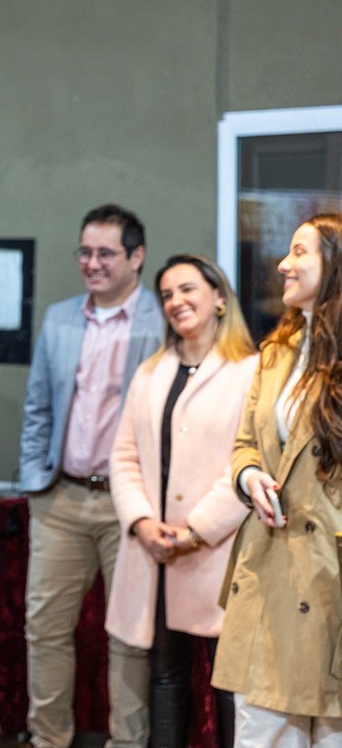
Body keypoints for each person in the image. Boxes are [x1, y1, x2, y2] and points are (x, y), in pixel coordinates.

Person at [18, 204, 163, 748]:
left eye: (106, 253)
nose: (92, 263)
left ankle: (127, 743)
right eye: (85, 252)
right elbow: (38, 407)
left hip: (130, 507)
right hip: (60, 498)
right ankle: (48, 739)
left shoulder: (162, 321)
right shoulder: (60, 319)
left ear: (136, 256)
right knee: (45, 630)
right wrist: (34, 476)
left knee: (129, 636)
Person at [106, 254, 257, 747]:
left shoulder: (250, 371)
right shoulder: (152, 371)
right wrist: (142, 523)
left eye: (187, 289)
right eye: (167, 294)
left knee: (229, 684)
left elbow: (251, 462)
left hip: (218, 550)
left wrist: (196, 530)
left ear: (219, 298)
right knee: (165, 676)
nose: (176, 301)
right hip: (156, 552)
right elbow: (123, 456)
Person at [213, 214, 342, 745]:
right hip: (270, 568)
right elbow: (246, 443)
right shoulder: (275, 352)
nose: (284, 264)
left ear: (334, 265)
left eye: (300, 252)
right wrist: (249, 478)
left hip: (331, 576)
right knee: (261, 731)